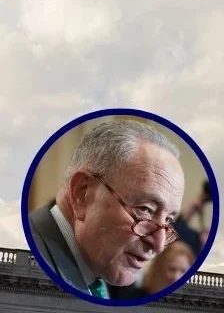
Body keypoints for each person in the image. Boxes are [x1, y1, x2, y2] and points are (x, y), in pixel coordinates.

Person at [28, 119, 185, 300]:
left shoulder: (91, 273)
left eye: (168, 221)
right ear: (83, 193)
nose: (158, 244)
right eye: (145, 209)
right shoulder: (36, 265)